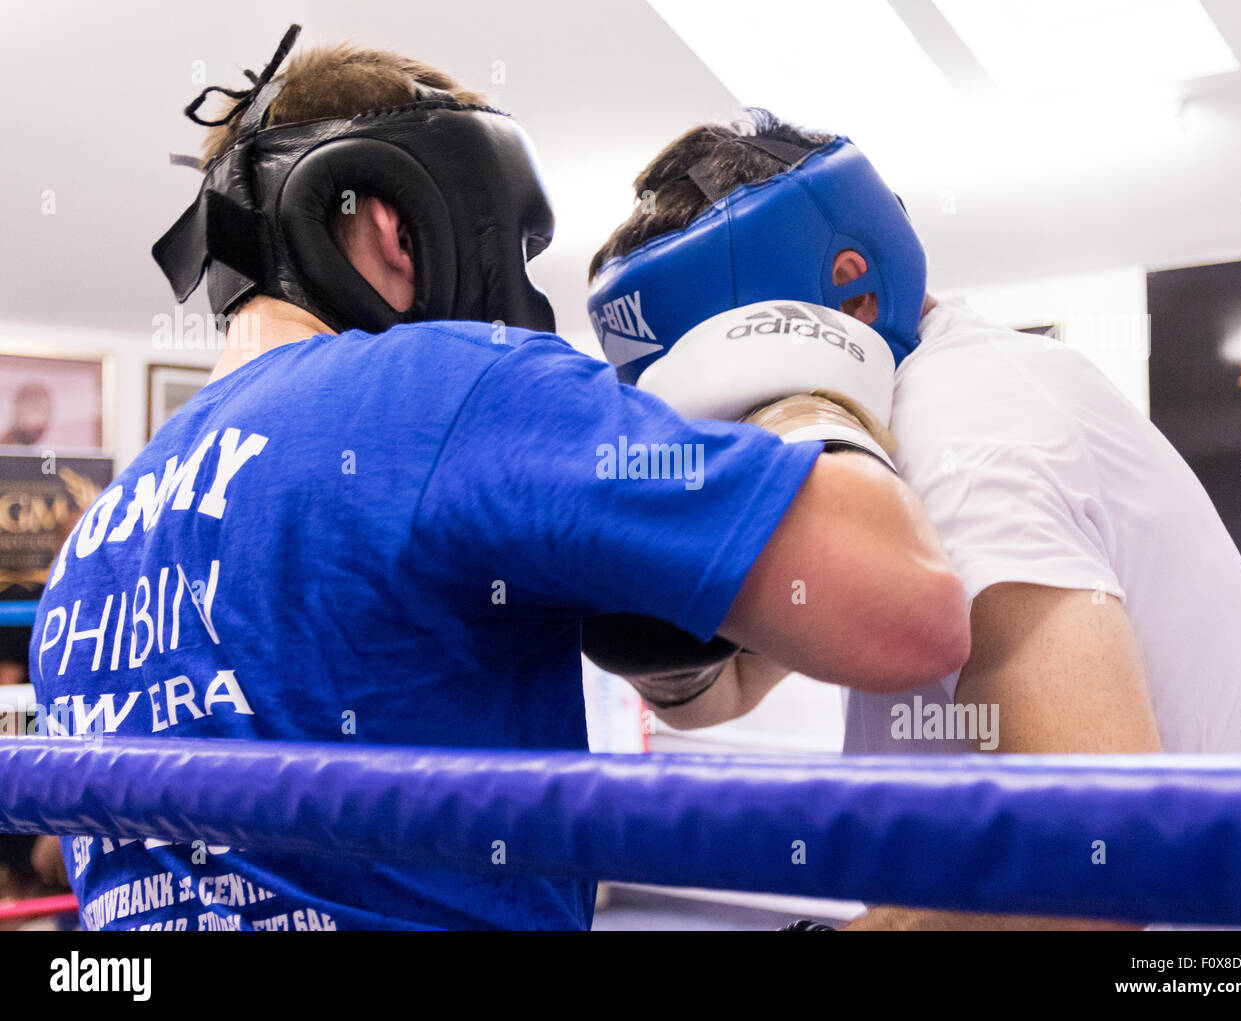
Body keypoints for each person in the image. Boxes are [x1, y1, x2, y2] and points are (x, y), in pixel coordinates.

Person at [28, 30, 967, 931]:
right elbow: (910, 610)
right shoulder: (442, 386)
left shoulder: (90, 547)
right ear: (398, 227)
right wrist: (802, 378)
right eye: (510, 247)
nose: (517, 290)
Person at [586, 108, 1241, 930]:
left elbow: (1093, 874)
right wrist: (644, 614)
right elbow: (723, 686)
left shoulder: (968, 446)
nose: (730, 430)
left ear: (853, 284)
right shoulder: (885, 432)